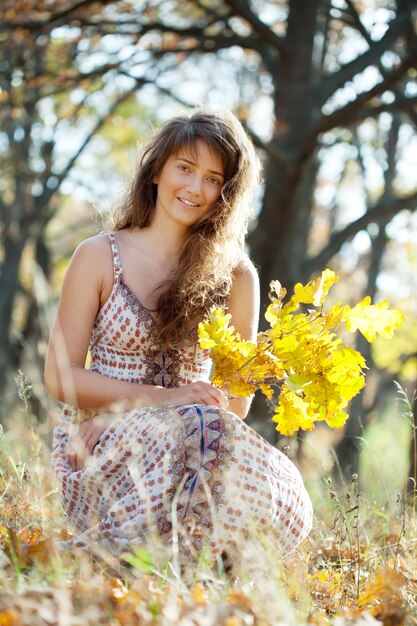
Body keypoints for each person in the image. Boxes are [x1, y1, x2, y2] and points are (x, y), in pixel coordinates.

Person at [45, 109, 313, 563]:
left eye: (212, 178)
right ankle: (131, 560)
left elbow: (236, 400)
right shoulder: (97, 256)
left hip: (200, 442)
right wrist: (153, 404)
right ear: (157, 171)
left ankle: (175, 568)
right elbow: (59, 377)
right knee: (202, 431)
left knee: (246, 461)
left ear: (225, 194)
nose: (194, 188)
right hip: (99, 437)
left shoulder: (236, 276)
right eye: (184, 169)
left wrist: (178, 410)